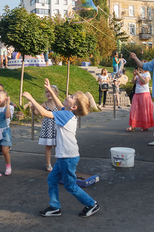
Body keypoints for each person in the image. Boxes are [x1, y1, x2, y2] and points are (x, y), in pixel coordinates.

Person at [22, 78, 100, 218]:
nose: (68, 96)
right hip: (65, 157)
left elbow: (45, 113)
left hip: (68, 158)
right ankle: (54, 207)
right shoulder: (68, 113)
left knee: (70, 186)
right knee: (52, 179)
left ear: (74, 107)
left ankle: (91, 204)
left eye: (71, 97)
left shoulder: (65, 115)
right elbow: (59, 106)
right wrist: (51, 89)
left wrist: (31, 98)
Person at [32, 85, 60, 172]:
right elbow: (37, 112)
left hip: (57, 127)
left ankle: (58, 163)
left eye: (50, 92)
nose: (48, 94)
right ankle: (48, 164)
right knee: (48, 146)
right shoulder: (45, 104)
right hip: (48, 128)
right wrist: (33, 109)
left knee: (58, 146)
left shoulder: (58, 104)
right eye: (47, 92)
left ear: (56, 94)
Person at [127, 65, 154, 132]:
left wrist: (138, 74)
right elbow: (133, 82)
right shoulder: (139, 73)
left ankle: (145, 126)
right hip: (137, 93)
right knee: (134, 109)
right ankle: (133, 126)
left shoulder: (147, 74)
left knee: (144, 110)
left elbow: (145, 81)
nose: (141, 67)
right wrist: (134, 75)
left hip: (144, 93)